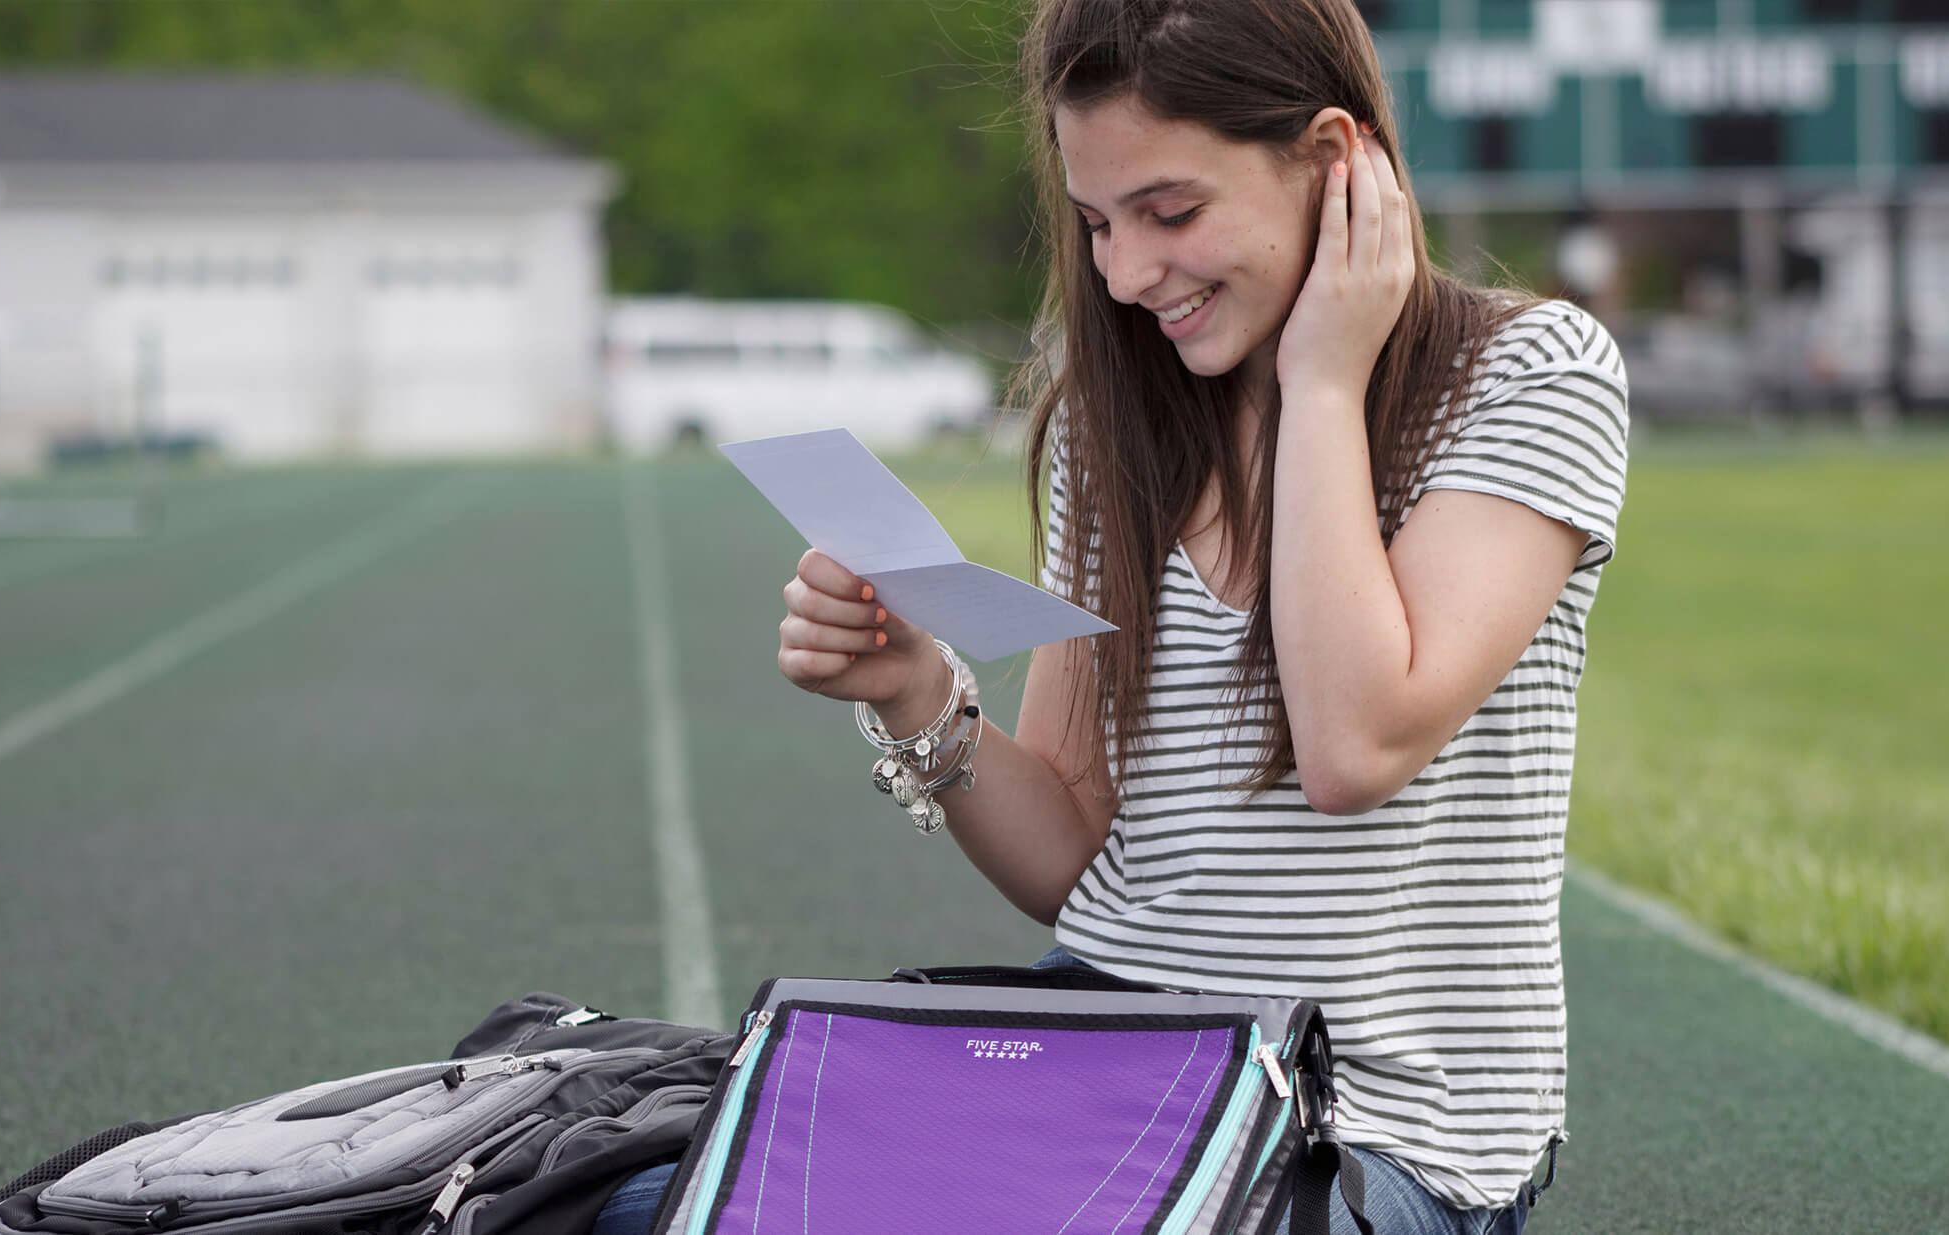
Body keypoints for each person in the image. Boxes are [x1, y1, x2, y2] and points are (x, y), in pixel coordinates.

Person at [595, 1, 1628, 1233]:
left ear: (1336, 159)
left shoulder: (1534, 374)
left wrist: (1322, 381)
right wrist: (919, 689)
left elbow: (1357, 746)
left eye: (1172, 212)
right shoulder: (1115, 423)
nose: (1127, 275)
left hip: (1375, 1130)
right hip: (1117, 1058)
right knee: (642, 1202)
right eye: (1095, 223)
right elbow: (1077, 855)